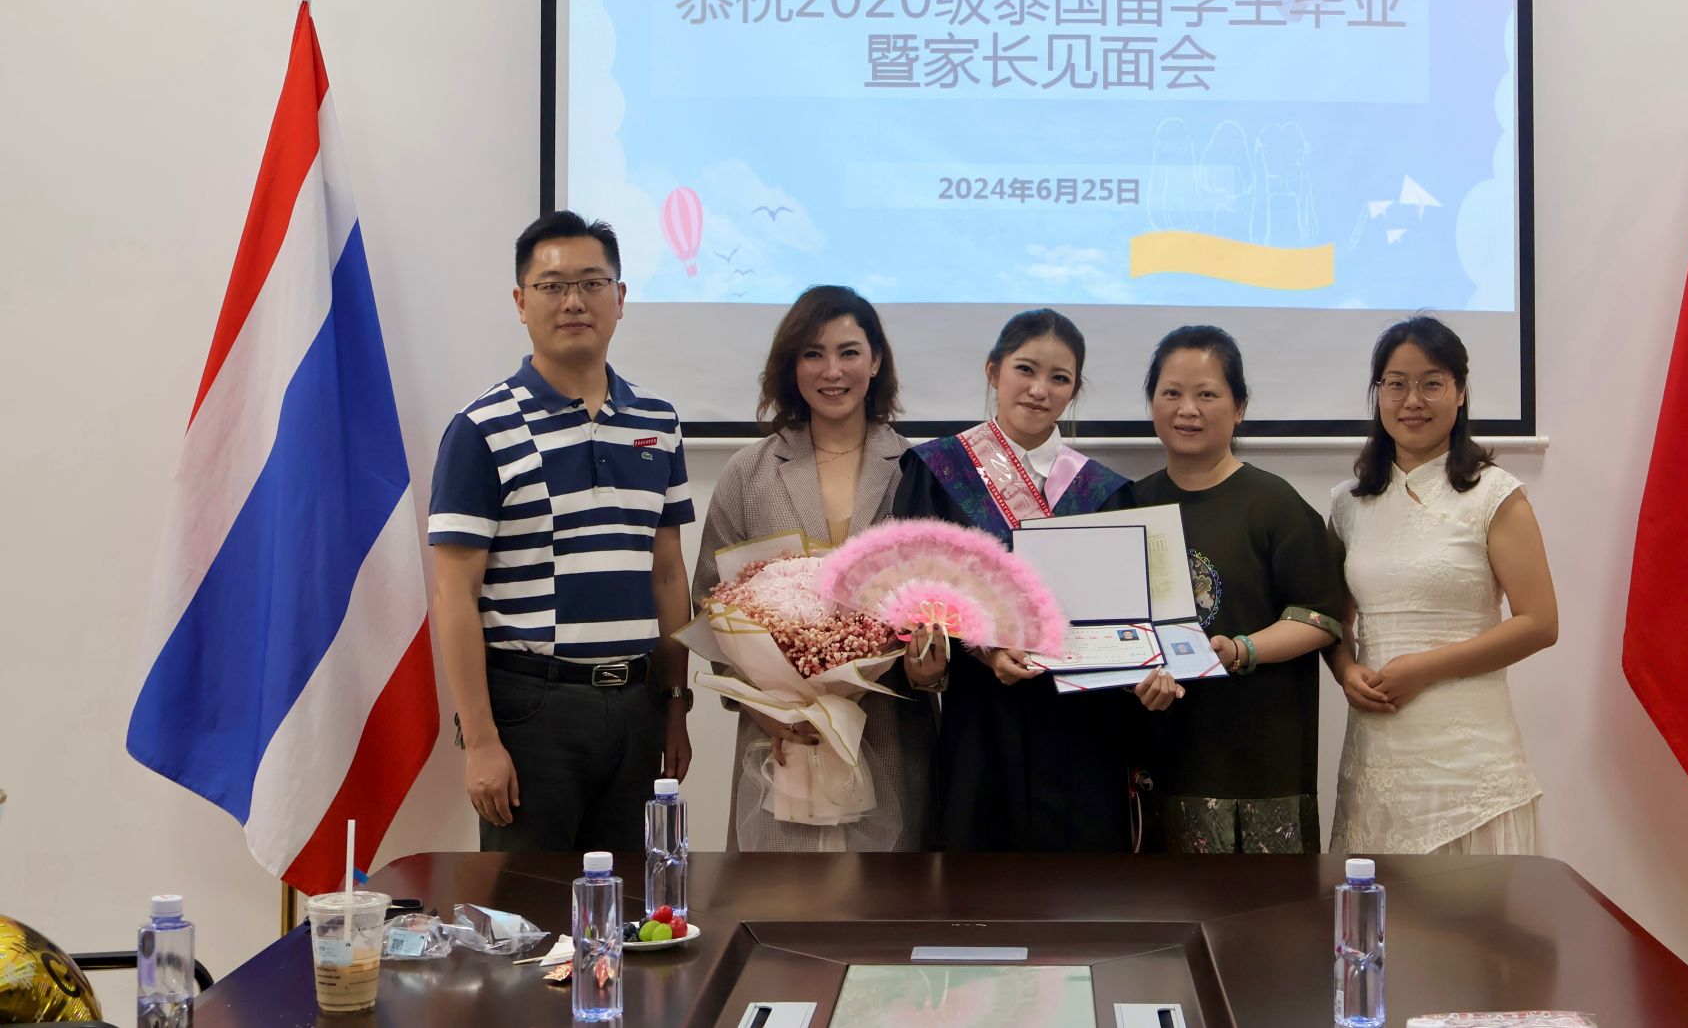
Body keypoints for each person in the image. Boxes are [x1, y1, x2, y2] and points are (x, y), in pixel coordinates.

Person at [426, 211, 695, 853]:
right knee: (527, 906)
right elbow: (453, 593)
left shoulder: (658, 421)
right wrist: (481, 740)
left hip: (637, 706)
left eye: (592, 283)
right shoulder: (482, 428)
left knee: (633, 899)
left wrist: (674, 705)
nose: (574, 301)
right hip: (532, 709)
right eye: (551, 286)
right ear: (521, 302)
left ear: (620, 297)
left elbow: (666, 574)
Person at [893, 309, 1162, 851]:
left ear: (1073, 391)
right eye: (1025, 369)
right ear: (993, 371)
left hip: (1081, 723)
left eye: (1059, 378)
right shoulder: (939, 471)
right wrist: (985, 647)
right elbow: (914, 592)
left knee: (1079, 883)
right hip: (982, 714)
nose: (1040, 390)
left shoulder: (1102, 491)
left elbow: (1121, 609)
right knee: (981, 874)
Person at [692, 285, 935, 851]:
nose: (832, 371)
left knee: (890, 901)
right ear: (791, 365)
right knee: (778, 899)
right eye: (813, 353)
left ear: (876, 361)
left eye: (849, 352)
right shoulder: (749, 472)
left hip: (889, 732)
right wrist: (765, 708)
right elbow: (710, 605)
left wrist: (928, 663)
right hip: (779, 744)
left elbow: (939, 612)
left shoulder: (917, 469)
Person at [1327, 316, 1559, 855]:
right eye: (1396, 384)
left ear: (1460, 392)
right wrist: (1344, 670)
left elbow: (1540, 623)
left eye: (1431, 383)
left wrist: (1424, 668)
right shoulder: (1346, 503)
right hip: (1376, 754)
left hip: (1469, 767)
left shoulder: (1495, 494)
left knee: (1473, 910)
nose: (1412, 400)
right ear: (1378, 393)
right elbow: (1334, 619)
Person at [1131, 325, 1347, 855]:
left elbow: (1319, 617)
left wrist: (1239, 649)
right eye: (1171, 393)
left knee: (1269, 908)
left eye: (1207, 394)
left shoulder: (1276, 505)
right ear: (1152, 402)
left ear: (1240, 407)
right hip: (1160, 758)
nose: (1188, 409)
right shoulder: (1128, 505)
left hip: (1260, 763)